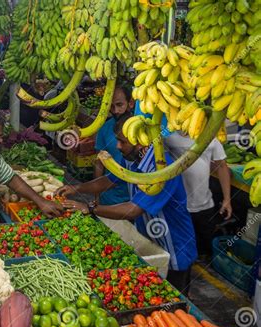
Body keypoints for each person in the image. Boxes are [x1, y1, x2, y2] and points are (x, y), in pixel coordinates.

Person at [56, 113, 197, 294]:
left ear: (140, 142)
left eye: (122, 142)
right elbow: (109, 181)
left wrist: (90, 208)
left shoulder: (162, 170)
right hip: (150, 240)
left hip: (175, 248)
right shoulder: (132, 159)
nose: (117, 146)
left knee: (174, 305)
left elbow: (132, 210)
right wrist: (77, 188)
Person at [165, 132, 232, 261]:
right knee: (181, 251)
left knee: (204, 249)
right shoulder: (167, 138)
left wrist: (227, 199)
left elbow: (222, 166)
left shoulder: (209, 136)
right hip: (178, 207)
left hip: (204, 205)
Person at [94, 85, 132, 206]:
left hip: (135, 196)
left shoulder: (141, 128)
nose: (115, 111)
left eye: (119, 105)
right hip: (111, 196)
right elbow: (99, 163)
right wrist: (97, 196)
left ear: (130, 103)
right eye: (111, 106)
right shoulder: (105, 128)